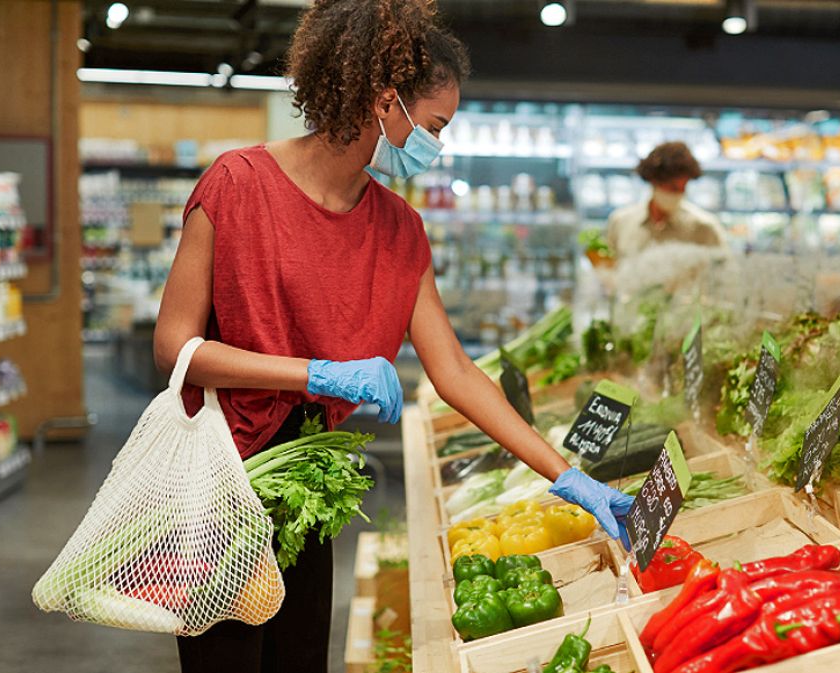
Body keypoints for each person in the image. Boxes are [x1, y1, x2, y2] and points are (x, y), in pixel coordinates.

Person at [152, 1, 633, 671]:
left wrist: (568, 474)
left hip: (307, 484)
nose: (440, 145)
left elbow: (457, 372)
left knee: (298, 660)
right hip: (221, 482)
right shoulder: (237, 185)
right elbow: (176, 348)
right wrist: (315, 374)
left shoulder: (400, 229)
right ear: (384, 102)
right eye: (435, 126)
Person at [606, 141, 728, 260]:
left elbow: (724, 272)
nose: (678, 194)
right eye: (672, 187)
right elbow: (607, 267)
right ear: (654, 181)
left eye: (683, 187)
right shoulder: (621, 222)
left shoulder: (704, 227)